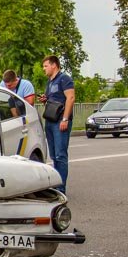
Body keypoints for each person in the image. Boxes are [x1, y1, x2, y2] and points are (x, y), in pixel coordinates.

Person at [41, 55, 76, 193]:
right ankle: (56, 185)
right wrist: (45, 100)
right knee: (54, 155)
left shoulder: (64, 79)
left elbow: (70, 98)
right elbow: (54, 99)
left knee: (61, 155)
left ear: (54, 65)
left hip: (60, 121)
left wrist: (65, 119)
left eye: (45, 66)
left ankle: (61, 188)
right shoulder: (49, 82)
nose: (44, 69)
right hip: (50, 120)